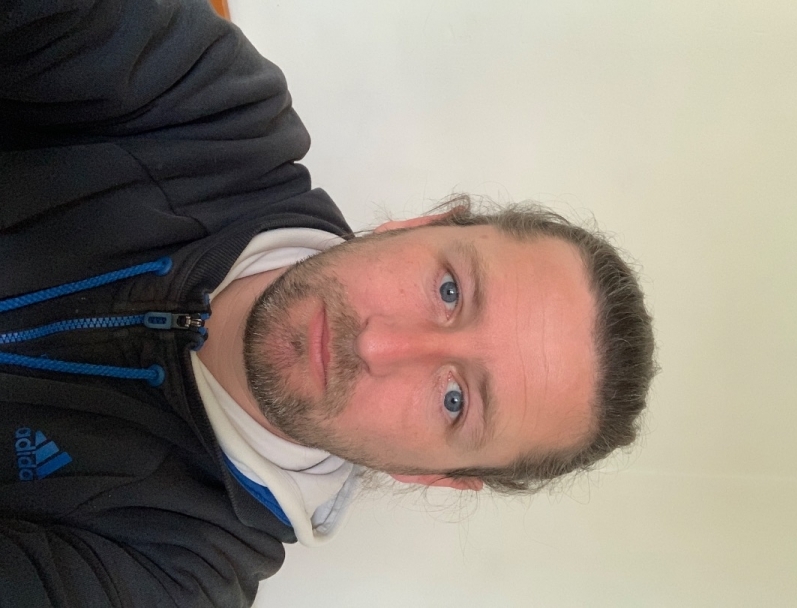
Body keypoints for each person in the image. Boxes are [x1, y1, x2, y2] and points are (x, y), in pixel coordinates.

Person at [0, 0, 656, 606]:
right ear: (418, 225)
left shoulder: (173, 578)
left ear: (430, 475)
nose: (379, 345)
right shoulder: (208, 102)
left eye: (455, 400)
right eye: (449, 290)